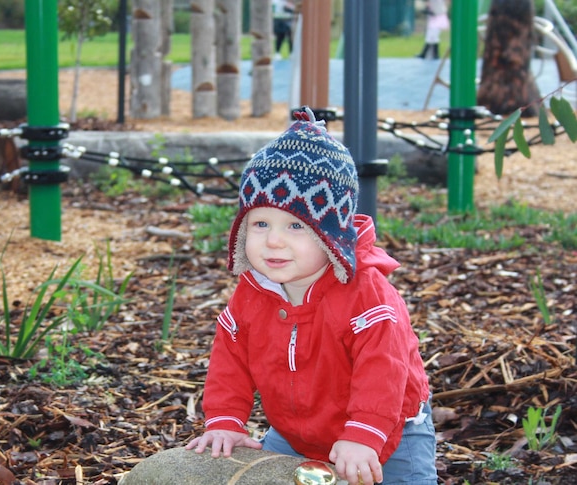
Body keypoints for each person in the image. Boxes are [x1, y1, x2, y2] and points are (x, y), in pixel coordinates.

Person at [185, 108, 437, 485]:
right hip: (295, 432)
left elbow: (384, 367)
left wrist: (364, 434)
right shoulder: (254, 291)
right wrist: (226, 420)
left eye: (296, 225)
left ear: (331, 233)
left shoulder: (366, 295)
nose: (273, 240)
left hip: (386, 431)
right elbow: (231, 357)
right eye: (261, 223)